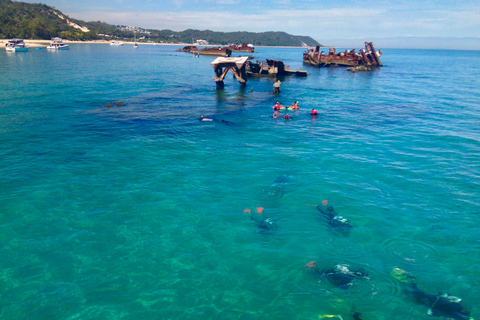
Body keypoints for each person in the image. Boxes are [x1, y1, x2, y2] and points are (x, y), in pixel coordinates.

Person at [391, 268, 473, 320]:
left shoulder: (458, 306)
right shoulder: (451, 315)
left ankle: (409, 281)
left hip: (436, 298)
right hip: (431, 303)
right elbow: (432, 313)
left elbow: (455, 300)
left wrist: (444, 295)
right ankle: (411, 280)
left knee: (418, 294)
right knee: (415, 297)